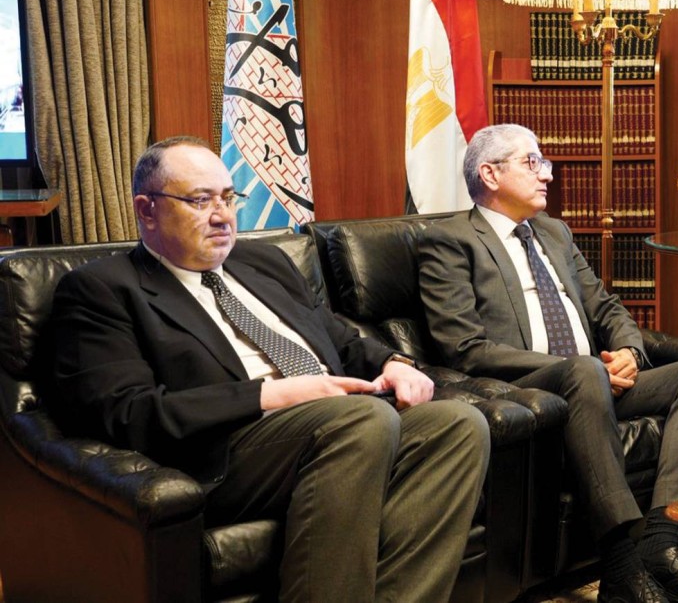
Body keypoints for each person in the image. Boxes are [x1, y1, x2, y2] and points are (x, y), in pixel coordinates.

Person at [49, 136, 490, 603]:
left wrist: (393, 362)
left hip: (336, 421)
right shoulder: (102, 288)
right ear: (147, 210)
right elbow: (127, 411)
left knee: (457, 424)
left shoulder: (266, 261)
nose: (222, 215)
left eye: (227, 197)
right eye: (200, 201)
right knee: (361, 420)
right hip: (228, 447)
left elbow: (339, 340)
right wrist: (275, 394)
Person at [418, 124, 678, 603]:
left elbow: (606, 307)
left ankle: (663, 539)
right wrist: (580, 369)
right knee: (583, 369)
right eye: (532, 163)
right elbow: (464, 347)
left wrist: (628, 353)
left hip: (596, 380)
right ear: (490, 174)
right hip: (533, 388)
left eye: (544, 163)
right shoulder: (449, 240)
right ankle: (620, 565)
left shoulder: (555, 233)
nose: (547, 174)